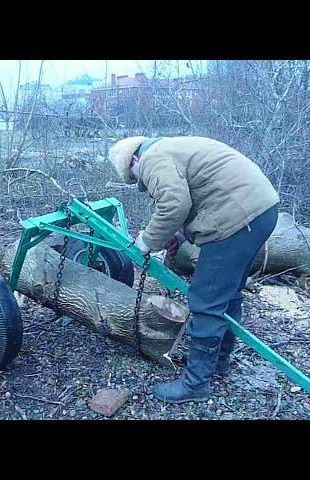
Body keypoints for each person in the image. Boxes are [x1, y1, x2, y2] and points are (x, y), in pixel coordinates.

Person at [108, 135, 280, 403]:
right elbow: (198, 193)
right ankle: (216, 363)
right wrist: (176, 235)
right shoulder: (173, 148)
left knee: (206, 300)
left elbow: (174, 204)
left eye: (135, 177)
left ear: (134, 160)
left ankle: (196, 383)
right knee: (229, 292)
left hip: (235, 218)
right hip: (261, 209)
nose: (140, 182)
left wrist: (145, 241)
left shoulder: (153, 159)